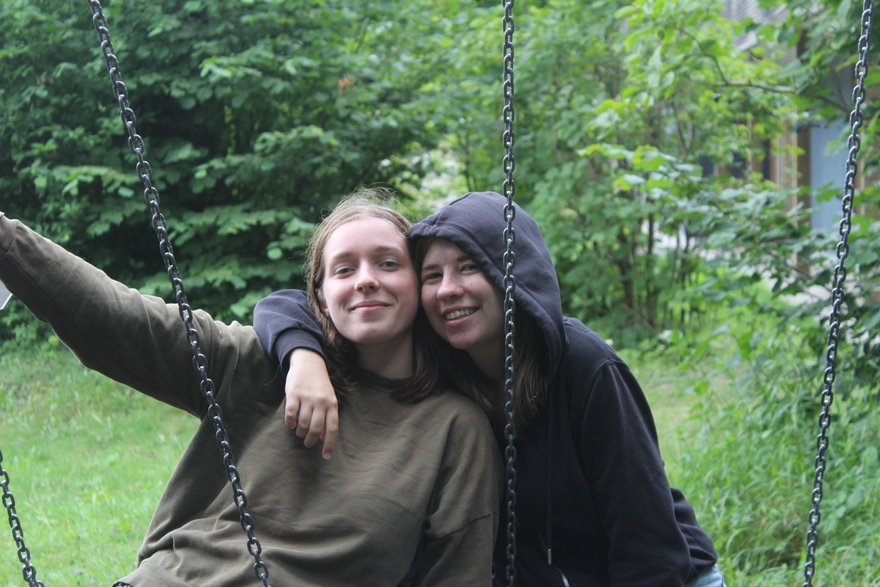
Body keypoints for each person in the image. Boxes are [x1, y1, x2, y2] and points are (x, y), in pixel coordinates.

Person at [0, 192, 501, 586]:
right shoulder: (256, 362)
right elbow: (119, 321)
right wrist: (8, 243)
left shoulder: (455, 429)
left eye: (388, 263)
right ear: (320, 297)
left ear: (420, 282)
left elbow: (458, 572)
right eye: (344, 269)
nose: (365, 280)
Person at [254, 191, 726, 586]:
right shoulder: (439, 362)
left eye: (468, 268)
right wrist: (304, 356)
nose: (448, 290)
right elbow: (290, 303)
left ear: (511, 276)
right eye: (433, 276)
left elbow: (647, 539)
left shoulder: (584, 368)